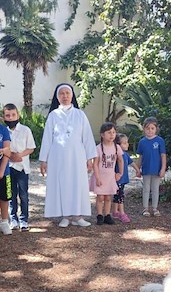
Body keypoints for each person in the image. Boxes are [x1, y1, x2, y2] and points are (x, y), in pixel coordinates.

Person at [39, 83, 97, 228]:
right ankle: (65, 216)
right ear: (57, 97)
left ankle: (78, 216)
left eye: (67, 93)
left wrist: (90, 158)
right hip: (57, 157)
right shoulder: (53, 115)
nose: (64, 96)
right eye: (61, 94)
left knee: (78, 184)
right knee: (61, 184)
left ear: (72, 95)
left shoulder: (80, 114)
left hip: (77, 156)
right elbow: (47, 138)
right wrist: (43, 160)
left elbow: (88, 137)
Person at [3, 104, 36, 231]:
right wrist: (11, 156)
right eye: (8, 115)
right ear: (3, 117)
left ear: (18, 115)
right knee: (11, 195)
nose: (11, 118)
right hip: (8, 167)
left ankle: (24, 220)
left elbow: (31, 147)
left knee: (23, 195)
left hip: (22, 168)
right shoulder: (3, 132)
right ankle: (13, 220)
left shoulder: (25, 130)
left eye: (13, 115)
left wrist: (19, 155)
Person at [90, 122, 124, 225]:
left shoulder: (116, 147)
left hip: (110, 177)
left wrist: (120, 173)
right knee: (100, 197)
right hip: (100, 176)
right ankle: (99, 215)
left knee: (109, 197)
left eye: (113, 132)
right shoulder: (98, 148)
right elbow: (95, 164)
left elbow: (120, 160)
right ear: (102, 134)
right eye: (109, 132)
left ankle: (107, 215)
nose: (112, 135)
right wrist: (97, 177)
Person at [137, 116, 166, 217]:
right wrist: (138, 168)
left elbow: (163, 156)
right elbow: (140, 157)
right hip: (146, 170)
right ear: (144, 129)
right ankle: (145, 208)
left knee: (155, 189)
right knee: (146, 189)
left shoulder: (160, 141)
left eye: (152, 128)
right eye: (148, 128)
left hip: (156, 170)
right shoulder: (142, 142)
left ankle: (155, 208)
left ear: (156, 129)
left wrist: (163, 169)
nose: (150, 130)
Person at [112, 133, 141, 223]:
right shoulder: (116, 155)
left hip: (123, 179)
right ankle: (121, 213)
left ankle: (115, 211)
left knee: (118, 195)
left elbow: (131, 162)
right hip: (118, 179)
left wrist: (137, 170)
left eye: (127, 142)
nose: (127, 144)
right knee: (120, 196)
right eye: (124, 143)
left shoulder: (126, 155)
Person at [0, 122, 12, 235]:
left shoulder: (3, 130)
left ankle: (4, 222)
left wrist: (1, 171)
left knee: (4, 198)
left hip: (4, 172)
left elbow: (7, 151)